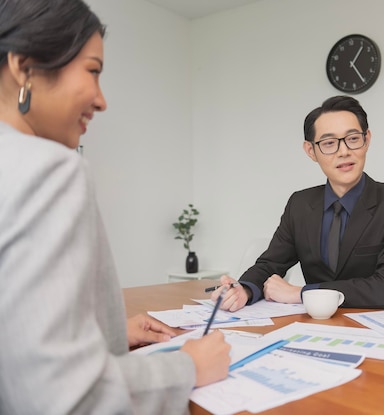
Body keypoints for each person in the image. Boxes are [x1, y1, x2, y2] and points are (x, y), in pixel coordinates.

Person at [0, 1, 230, 414]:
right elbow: (67, 397)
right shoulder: (49, 170)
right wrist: (188, 367)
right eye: (92, 71)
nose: (101, 100)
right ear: (23, 67)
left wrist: (106, 336)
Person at [211, 95, 384, 311]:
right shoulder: (300, 204)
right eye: (329, 143)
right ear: (311, 151)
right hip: (319, 327)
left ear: (367, 140)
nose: (344, 151)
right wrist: (244, 289)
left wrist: (301, 293)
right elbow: (270, 264)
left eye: (352, 138)